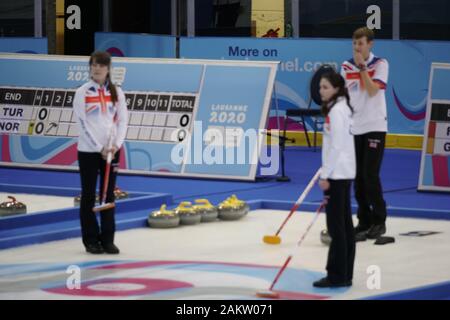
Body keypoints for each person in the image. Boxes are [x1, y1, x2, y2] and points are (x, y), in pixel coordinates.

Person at [73, 51, 128, 254]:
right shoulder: (82, 92)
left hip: (112, 151)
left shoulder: (117, 92)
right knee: (88, 195)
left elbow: (123, 121)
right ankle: (90, 240)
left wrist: (116, 145)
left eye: (101, 65)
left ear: (108, 69)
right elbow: (83, 125)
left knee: (108, 196)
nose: (97, 69)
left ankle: (107, 239)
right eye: (94, 65)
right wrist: (100, 148)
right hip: (89, 151)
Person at [340, 27, 389, 241]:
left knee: (370, 176)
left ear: (370, 44)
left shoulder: (381, 64)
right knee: (358, 178)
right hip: (355, 127)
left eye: (360, 44)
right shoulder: (345, 66)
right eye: (354, 44)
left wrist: (362, 68)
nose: (357, 48)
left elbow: (372, 90)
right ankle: (364, 220)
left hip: (375, 126)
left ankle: (379, 221)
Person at [313, 71, 356, 288]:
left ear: (337, 88)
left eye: (326, 87)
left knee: (336, 227)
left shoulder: (337, 111)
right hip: (344, 172)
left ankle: (337, 275)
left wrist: (325, 174)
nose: (322, 91)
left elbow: (337, 145)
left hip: (337, 174)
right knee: (345, 225)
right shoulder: (344, 108)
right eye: (320, 87)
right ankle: (345, 274)